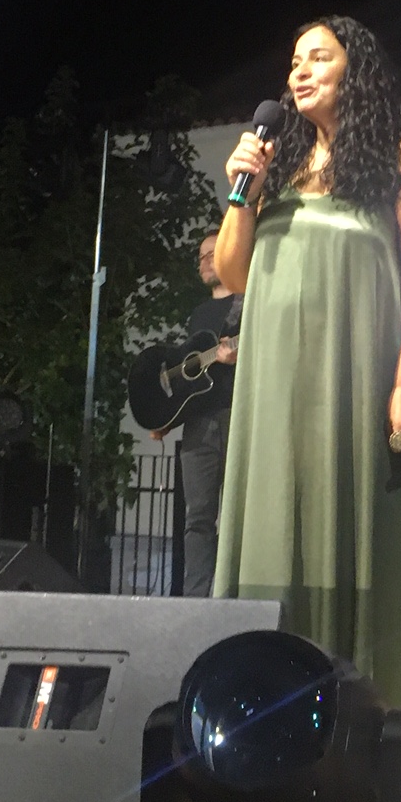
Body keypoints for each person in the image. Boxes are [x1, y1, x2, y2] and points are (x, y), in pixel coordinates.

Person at [212, 15, 401, 715]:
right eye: (294, 60)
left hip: (353, 378)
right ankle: (256, 708)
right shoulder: (277, 164)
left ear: (358, 70)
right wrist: (243, 193)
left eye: (319, 56)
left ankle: (355, 720)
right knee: (268, 529)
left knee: (347, 528)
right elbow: (233, 275)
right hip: (272, 385)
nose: (300, 70)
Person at [150, 235, 242, 597]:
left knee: (239, 514)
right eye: (200, 256)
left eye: (211, 255)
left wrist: (240, 356)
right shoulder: (200, 314)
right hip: (199, 424)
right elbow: (193, 380)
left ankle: (237, 595)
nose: (203, 262)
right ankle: (197, 597)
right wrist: (167, 418)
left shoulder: (250, 303)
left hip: (237, 417)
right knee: (198, 517)